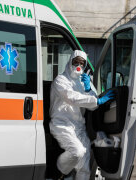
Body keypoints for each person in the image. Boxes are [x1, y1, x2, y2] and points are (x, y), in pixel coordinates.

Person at [49, 50, 115, 180]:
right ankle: (58, 172)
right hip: (62, 124)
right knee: (77, 152)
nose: (78, 65)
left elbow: (94, 105)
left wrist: (89, 89)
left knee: (84, 166)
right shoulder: (60, 80)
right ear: (70, 62)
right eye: (76, 61)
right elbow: (71, 97)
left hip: (79, 126)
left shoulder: (84, 81)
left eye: (82, 63)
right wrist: (95, 100)